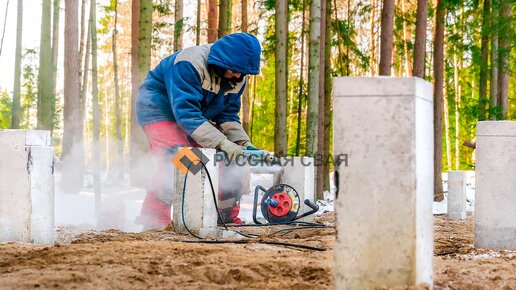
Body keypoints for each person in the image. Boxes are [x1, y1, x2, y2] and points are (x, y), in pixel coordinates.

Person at [135, 32, 262, 229]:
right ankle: (154, 221)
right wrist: (221, 141)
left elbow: (227, 115)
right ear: (222, 60)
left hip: (196, 115)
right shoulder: (189, 64)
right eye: (236, 70)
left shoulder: (239, 76)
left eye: (243, 72)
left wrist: (242, 143)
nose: (239, 75)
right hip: (159, 109)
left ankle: (225, 217)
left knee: (230, 161)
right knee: (177, 159)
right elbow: (186, 114)